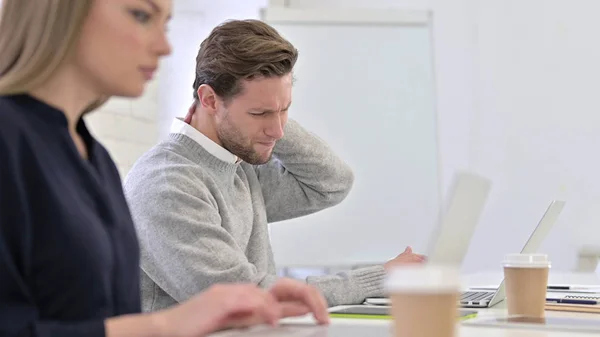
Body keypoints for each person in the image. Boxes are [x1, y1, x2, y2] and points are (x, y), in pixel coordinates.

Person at [0, 1, 329, 337]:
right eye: (141, 15)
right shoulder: (10, 142)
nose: (164, 46)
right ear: (62, 12)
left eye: (165, 23)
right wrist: (164, 325)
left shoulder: (90, 156)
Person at [123, 19, 426, 311]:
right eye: (259, 113)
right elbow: (243, 297)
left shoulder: (237, 165)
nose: (279, 131)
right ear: (210, 100)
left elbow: (333, 183)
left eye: (285, 110)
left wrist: (268, 114)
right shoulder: (167, 185)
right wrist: (377, 279)